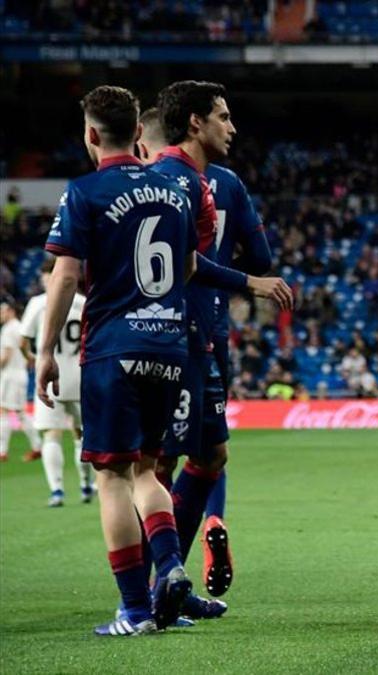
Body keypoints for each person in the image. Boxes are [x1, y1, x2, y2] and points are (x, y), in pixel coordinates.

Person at [38, 85, 194, 636]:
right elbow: (190, 267)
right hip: (170, 345)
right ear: (137, 130)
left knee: (111, 475)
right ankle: (171, 565)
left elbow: (65, 275)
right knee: (149, 468)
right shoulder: (176, 190)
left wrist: (45, 351)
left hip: (113, 347)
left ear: (90, 134)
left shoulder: (84, 191)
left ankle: (134, 610)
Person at [148, 81, 292, 620]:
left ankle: (171, 584)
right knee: (158, 462)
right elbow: (223, 262)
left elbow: (259, 258)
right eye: (223, 117)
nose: (232, 127)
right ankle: (148, 590)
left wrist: (247, 275)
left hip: (206, 337)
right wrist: (247, 281)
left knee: (209, 456)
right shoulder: (165, 181)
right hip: (170, 336)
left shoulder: (221, 182)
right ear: (193, 123)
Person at [19, 259, 91, 506]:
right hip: (80, 378)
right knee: (81, 434)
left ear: (47, 276)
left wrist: (33, 358)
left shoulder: (38, 304)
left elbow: (23, 340)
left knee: (51, 434)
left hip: (49, 378)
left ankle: (57, 490)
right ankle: (85, 486)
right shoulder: (82, 301)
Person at [1, 297, 41, 463]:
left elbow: (6, 356)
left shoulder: (9, 329)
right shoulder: (21, 328)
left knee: (4, 411)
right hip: (20, 374)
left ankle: (2, 451)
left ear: (11, 311)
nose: (1, 315)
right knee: (20, 413)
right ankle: (37, 446)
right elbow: (29, 354)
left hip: (11, 375)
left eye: (3, 311)